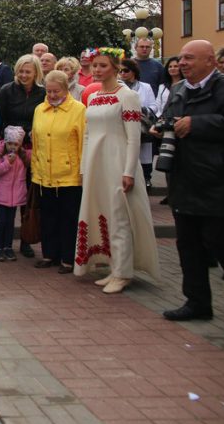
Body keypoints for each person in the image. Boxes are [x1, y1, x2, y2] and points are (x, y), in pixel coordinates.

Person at [155, 41, 224, 320]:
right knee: (188, 244)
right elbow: (170, 118)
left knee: (221, 242)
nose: (183, 63)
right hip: (184, 178)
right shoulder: (178, 90)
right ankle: (197, 303)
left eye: (190, 58)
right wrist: (161, 127)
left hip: (220, 181)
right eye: (181, 58)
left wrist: (196, 123)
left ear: (210, 61)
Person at [74, 47, 160, 294]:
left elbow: (134, 138)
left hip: (118, 160)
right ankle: (114, 266)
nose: (97, 70)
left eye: (103, 65)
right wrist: (83, 167)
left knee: (119, 215)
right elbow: (88, 135)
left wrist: (129, 171)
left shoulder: (127, 96)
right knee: (102, 212)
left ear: (115, 67)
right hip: (96, 162)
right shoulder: (92, 97)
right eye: (94, 66)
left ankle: (123, 273)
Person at [30, 70, 85, 274]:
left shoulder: (78, 110)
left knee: (68, 218)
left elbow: (82, 142)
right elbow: (36, 141)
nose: (52, 95)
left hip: (68, 174)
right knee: (48, 217)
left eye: (56, 91)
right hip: (44, 173)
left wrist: (82, 170)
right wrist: (35, 169)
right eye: (49, 91)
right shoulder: (39, 109)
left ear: (65, 89)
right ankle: (49, 254)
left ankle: (67, 258)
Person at [0, 54, 45, 257]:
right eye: (21, 71)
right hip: (10, 148)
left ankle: (26, 240)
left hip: (31, 149)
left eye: (28, 72)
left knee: (27, 197)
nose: (24, 75)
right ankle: (2, 241)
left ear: (36, 73)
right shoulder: (7, 90)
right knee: (7, 196)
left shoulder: (42, 93)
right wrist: (0, 149)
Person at [0, 126, 28, 262]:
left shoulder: (22, 158)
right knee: (1, 222)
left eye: (16, 144)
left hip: (15, 197)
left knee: (11, 222)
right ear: (5, 143)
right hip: (1, 197)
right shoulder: (0, 156)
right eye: (10, 143)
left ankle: (8, 247)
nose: (12, 147)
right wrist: (8, 162)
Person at [118, 59, 157, 186]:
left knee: (144, 153)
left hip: (142, 125)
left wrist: (142, 109)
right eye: (120, 71)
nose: (122, 73)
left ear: (134, 71)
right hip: (123, 124)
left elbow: (154, 105)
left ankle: (146, 178)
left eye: (126, 70)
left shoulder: (145, 87)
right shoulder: (117, 87)